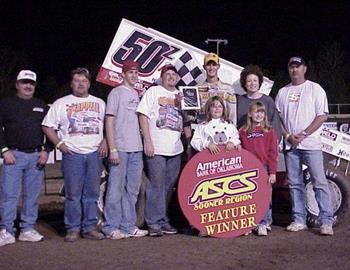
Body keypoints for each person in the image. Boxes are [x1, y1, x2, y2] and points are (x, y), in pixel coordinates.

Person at [42, 67, 107, 242]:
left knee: (92, 193)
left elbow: (108, 126)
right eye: (77, 81)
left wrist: (105, 141)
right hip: (73, 154)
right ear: (72, 83)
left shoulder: (100, 103)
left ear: (89, 84)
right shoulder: (61, 103)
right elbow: (47, 126)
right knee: (73, 193)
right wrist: (59, 143)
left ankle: (89, 227)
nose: (81, 84)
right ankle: (72, 228)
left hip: (94, 154)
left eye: (84, 81)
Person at [275, 56, 334, 236]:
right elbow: (278, 118)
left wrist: (304, 133)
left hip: (311, 144)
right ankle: (299, 219)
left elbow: (322, 116)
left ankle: (326, 222)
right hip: (291, 145)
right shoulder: (282, 92)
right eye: (291, 67)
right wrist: (287, 135)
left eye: (298, 66)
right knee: (294, 184)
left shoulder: (315, 89)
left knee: (319, 182)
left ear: (304, 69)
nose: (294, 70)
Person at [0, 70, 53, 247]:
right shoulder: (5, 104)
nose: (28, 86)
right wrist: (4, 150)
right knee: (9, 196)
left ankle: (26, 229)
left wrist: (46, 150)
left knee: (32, 196)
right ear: (17, 84)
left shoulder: (42, 105)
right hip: (13, 156)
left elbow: (51, 129)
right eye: (24, 82)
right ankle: (6, 231)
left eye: (31, 83)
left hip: (36, 157)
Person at [102, 60, 148, 239]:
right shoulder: (116, 93)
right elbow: (109, 120)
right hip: (120, 148)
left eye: (136, 72)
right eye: (130, 72)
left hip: (136, 149)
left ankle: (128, 225)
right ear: (123, 74)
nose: (134, 75)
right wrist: (112, 148)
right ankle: (110, 227)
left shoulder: (136, 94)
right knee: (115, 188)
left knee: (132, 189)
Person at [137, 64, 183, 237]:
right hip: (156, 147)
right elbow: (142, 115)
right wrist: (147, 141)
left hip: (175, 148)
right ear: (162, 77)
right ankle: (153, 222)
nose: (171, 77)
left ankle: (163, 220)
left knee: (168, 186)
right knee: (155, 185)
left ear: (177, 78)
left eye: (173, 74)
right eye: (167, 74)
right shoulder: (153, 91)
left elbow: (186, 120)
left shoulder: (181, 95)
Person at [184, 53, 237, 154]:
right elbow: (188, 118)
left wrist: (233, 139)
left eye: (214, 65)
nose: (211, 67)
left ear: (218, 66)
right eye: (208, 65)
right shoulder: (196, 89)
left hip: (224, 138)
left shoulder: (228, 89)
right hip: (204, 136)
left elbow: (233, 116)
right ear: (204, 67)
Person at [239, 101, 278, 236]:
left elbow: (273, 153)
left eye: (261, 112)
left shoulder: (269, 131)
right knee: (249, 196)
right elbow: (240, 150)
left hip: (264, 167)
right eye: (256, 111)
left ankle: (264, 222)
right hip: (248, 169)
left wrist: (272, 172)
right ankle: (249, 223)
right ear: (250, 114)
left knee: (265, 196)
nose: (259, 114)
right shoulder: (243, 131)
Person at [237, 64, 282, 140]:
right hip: (243, 143)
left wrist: (275, 142)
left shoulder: (268, 101)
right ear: (244, 83)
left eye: (255, 80)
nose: (252, 83)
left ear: (259, 82)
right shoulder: (239, 100)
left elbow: (275, 125)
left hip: (263, 143)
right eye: (249, 81)